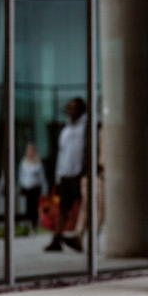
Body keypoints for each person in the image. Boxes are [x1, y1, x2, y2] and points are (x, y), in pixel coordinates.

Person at [46, 97, 88, 252]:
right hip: (66, 175)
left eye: (73, 107)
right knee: (63, 208)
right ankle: (56, 238)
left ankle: (79, 237)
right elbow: (62, 154)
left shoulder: (87, 126)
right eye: (68, 106)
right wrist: (58, 176)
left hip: (80, 174)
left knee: (86, 206)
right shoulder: (66, 130)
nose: (70, 110)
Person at [19, 142, 47, 234]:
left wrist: (43, 187)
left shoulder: (37, 163)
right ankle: (27, 226)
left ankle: (34, 226)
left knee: (34, 208)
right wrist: (23, 185)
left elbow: (41, 177)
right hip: (27, 188)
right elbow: (21, 175)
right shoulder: (23, 162)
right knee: (28, 208)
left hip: (35, 188)